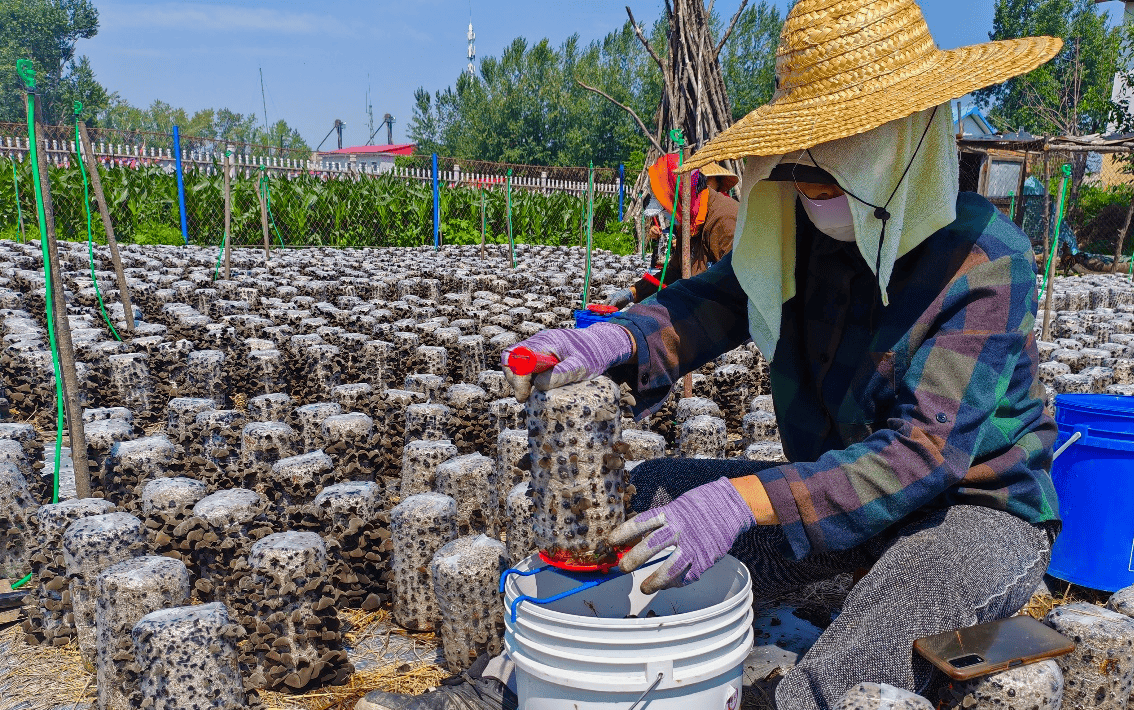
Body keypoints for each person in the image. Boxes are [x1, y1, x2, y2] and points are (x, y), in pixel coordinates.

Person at [357, 0, 1063, 707]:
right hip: (840, 500)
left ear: (910, 137)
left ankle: (789, 701)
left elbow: (923, 456)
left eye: (842, 145)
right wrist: (614, 338)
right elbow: (718, 301)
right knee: (650, 494)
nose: (811, 172)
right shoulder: (807, 236)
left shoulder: (984, 260)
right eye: (806, 149)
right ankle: (519, 675)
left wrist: (738, 503)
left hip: (972, 512)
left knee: (914, 590)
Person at [606, 158, 739, 308]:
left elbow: (734, 283)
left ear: (680, 198)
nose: (667, 215)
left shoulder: (725, 219)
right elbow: (675, 270)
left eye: (666, 209)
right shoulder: (689, 220)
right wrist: (633, 292)